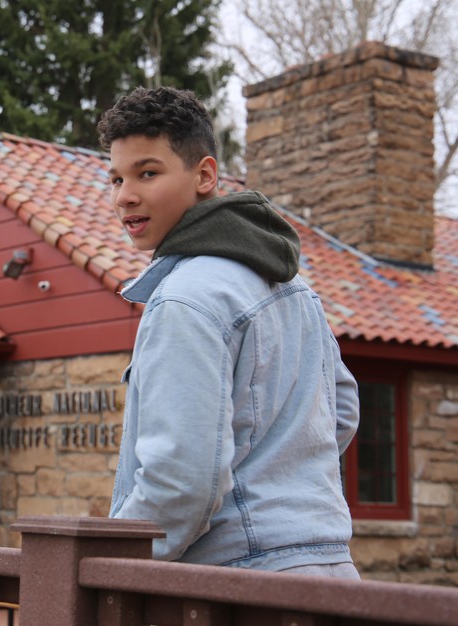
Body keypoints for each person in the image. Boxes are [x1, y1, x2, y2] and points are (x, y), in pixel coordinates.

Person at [99, 86, 360, 577]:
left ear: (205, 175)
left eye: (147, 173)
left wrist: (105, 565)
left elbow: (182, 480)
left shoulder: (185, 299)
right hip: (331, 572)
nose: (124, 195)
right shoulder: (294, 286)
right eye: (115, 178)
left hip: (240, 584)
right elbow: (340, 411)